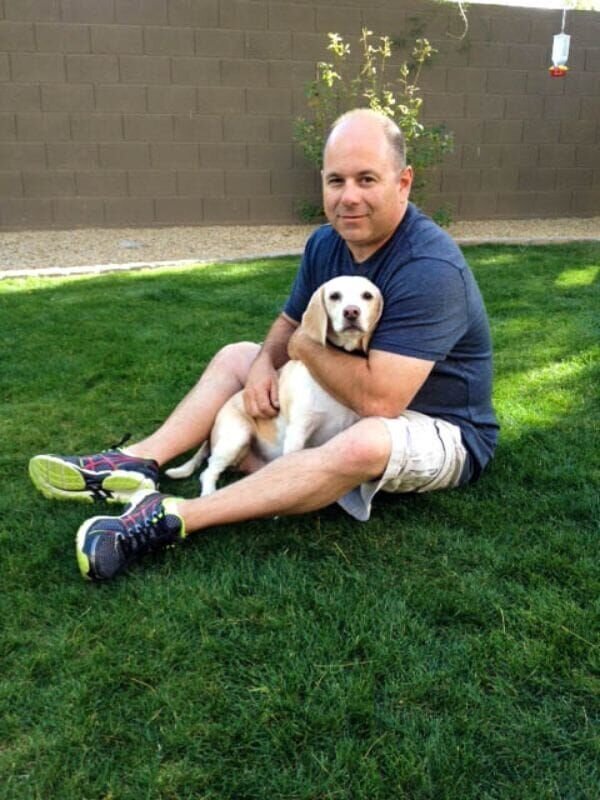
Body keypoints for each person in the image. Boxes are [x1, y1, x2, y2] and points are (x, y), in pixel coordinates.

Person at [29, 108, 499, 581]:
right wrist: (259, 370)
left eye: (367, 179)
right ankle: (139, 462)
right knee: (239, 354)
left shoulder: (429, 268)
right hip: (354, 403)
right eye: (336, 181)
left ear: (403, 182)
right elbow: (289, 322)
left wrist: (303, 348)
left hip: (439, 426)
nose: (348, 197)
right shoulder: (326, 244)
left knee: (366, 441)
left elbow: (381, 400)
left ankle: (174, 516)